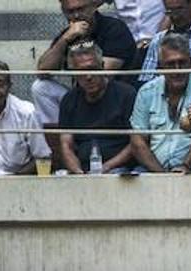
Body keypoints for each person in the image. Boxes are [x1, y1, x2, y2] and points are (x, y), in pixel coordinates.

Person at [130, 34, 191, 172]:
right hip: (157, 170)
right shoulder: (146, 92)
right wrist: (163, 176)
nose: (177, 69)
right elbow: (137, 140)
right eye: (170, 64)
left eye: (182, 62)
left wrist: (185, 166)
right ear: (160, 67)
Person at [31, 0, 139, 125]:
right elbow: (43, 71)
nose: (76, 15)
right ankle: (55, 139)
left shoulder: (114, 29)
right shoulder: (68, 35)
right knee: (41, 87)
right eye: (70, 11)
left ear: (93, 7)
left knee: (93, 83)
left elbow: (100, 76)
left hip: (113, 99)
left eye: (81, 9)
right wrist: (64, 39)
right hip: (80, 96)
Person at [56, 43, 140, 175]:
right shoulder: (69, 100)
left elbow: (136, 142)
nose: (88, 77)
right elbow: (66, 144)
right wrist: (78, 172)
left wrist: (106, 167)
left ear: (102, 67)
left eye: (92, 69)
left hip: (119, 169)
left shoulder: (126, 94)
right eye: (82, 72)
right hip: (82, 170)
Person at [0, 61, 52, 176]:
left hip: (20, 180)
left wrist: (13, 182)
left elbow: (43, 157)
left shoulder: (26, 112)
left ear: (9, 85)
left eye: (0, 83)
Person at [139, 0, 191, 82]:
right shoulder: (158, 40)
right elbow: (146, 80)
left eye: (179, 10)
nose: (175, 16)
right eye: (170, 11)